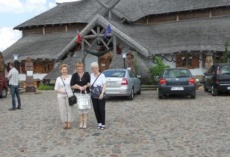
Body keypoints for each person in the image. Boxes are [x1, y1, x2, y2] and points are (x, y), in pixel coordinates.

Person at [70, 61, 90, 129]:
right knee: (80, 108)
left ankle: (85, 122)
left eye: (80, 66)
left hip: (86, 93)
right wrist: (78, 87)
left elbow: (89, 83)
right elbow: (71, 85)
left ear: (83, 67)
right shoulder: (74, 75)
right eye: (78, 67)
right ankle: (81, 122)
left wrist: (85, 86)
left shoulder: (87, 74)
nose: (79, 68)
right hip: (78, 94)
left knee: (85, 107)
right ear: (76, 68)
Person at [54, 64, 74, 129]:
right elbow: (56, 88)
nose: (64, 71)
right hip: (60, 96)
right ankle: (65, 122)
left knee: (69, 109)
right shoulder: (58, 79)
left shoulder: (71, 77)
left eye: (65, 69)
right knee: (63, 110)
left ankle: (69, 122)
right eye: (63, 70)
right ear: (60, 70)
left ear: (67, 70)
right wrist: (61, 91)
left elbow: (73, 85)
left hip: (69, 95)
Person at [90, 62, 106, 130]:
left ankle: (103, 123)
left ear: (98, 68)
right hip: (93, 95)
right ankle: (99, 122)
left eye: (96, 68)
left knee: (101, 109)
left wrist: (102, 93)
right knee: (96, 109)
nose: (94, 69)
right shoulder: (91, 75)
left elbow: (104, 85)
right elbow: (89, 84)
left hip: (101, 95)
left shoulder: (102, 75)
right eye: (93, 68)